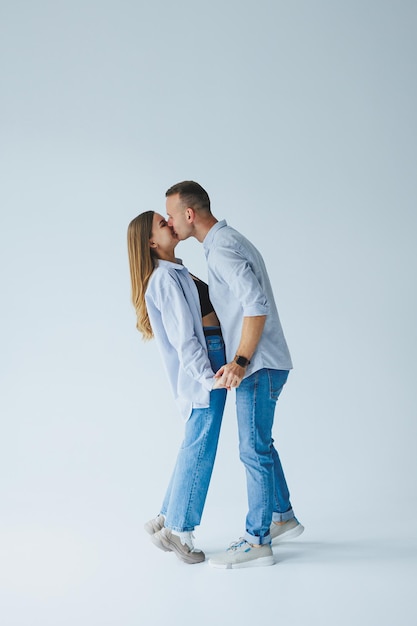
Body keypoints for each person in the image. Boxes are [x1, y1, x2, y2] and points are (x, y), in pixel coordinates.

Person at [165, 181, 304, 569]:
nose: (171, 224)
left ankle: (256, 540)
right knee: (261, 445)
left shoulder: (222, 247)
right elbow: (237, 299)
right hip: (267, 362)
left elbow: (255, 305)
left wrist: (240, 361)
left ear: (189, 214)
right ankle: (282, 517)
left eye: (173, 216)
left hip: (258, 365)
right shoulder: (224, 242)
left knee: (252, 450)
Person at [127, 210, 227, 565]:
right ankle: (180, 530)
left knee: (194, 442)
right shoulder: (164, 280)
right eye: (162, 223)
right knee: (202, 444)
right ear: (151, 242)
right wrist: (208, 378)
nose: (170, 223)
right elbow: (185, 338)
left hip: (209, 356)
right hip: (207, 362)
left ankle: (166, 517)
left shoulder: (172, 272)